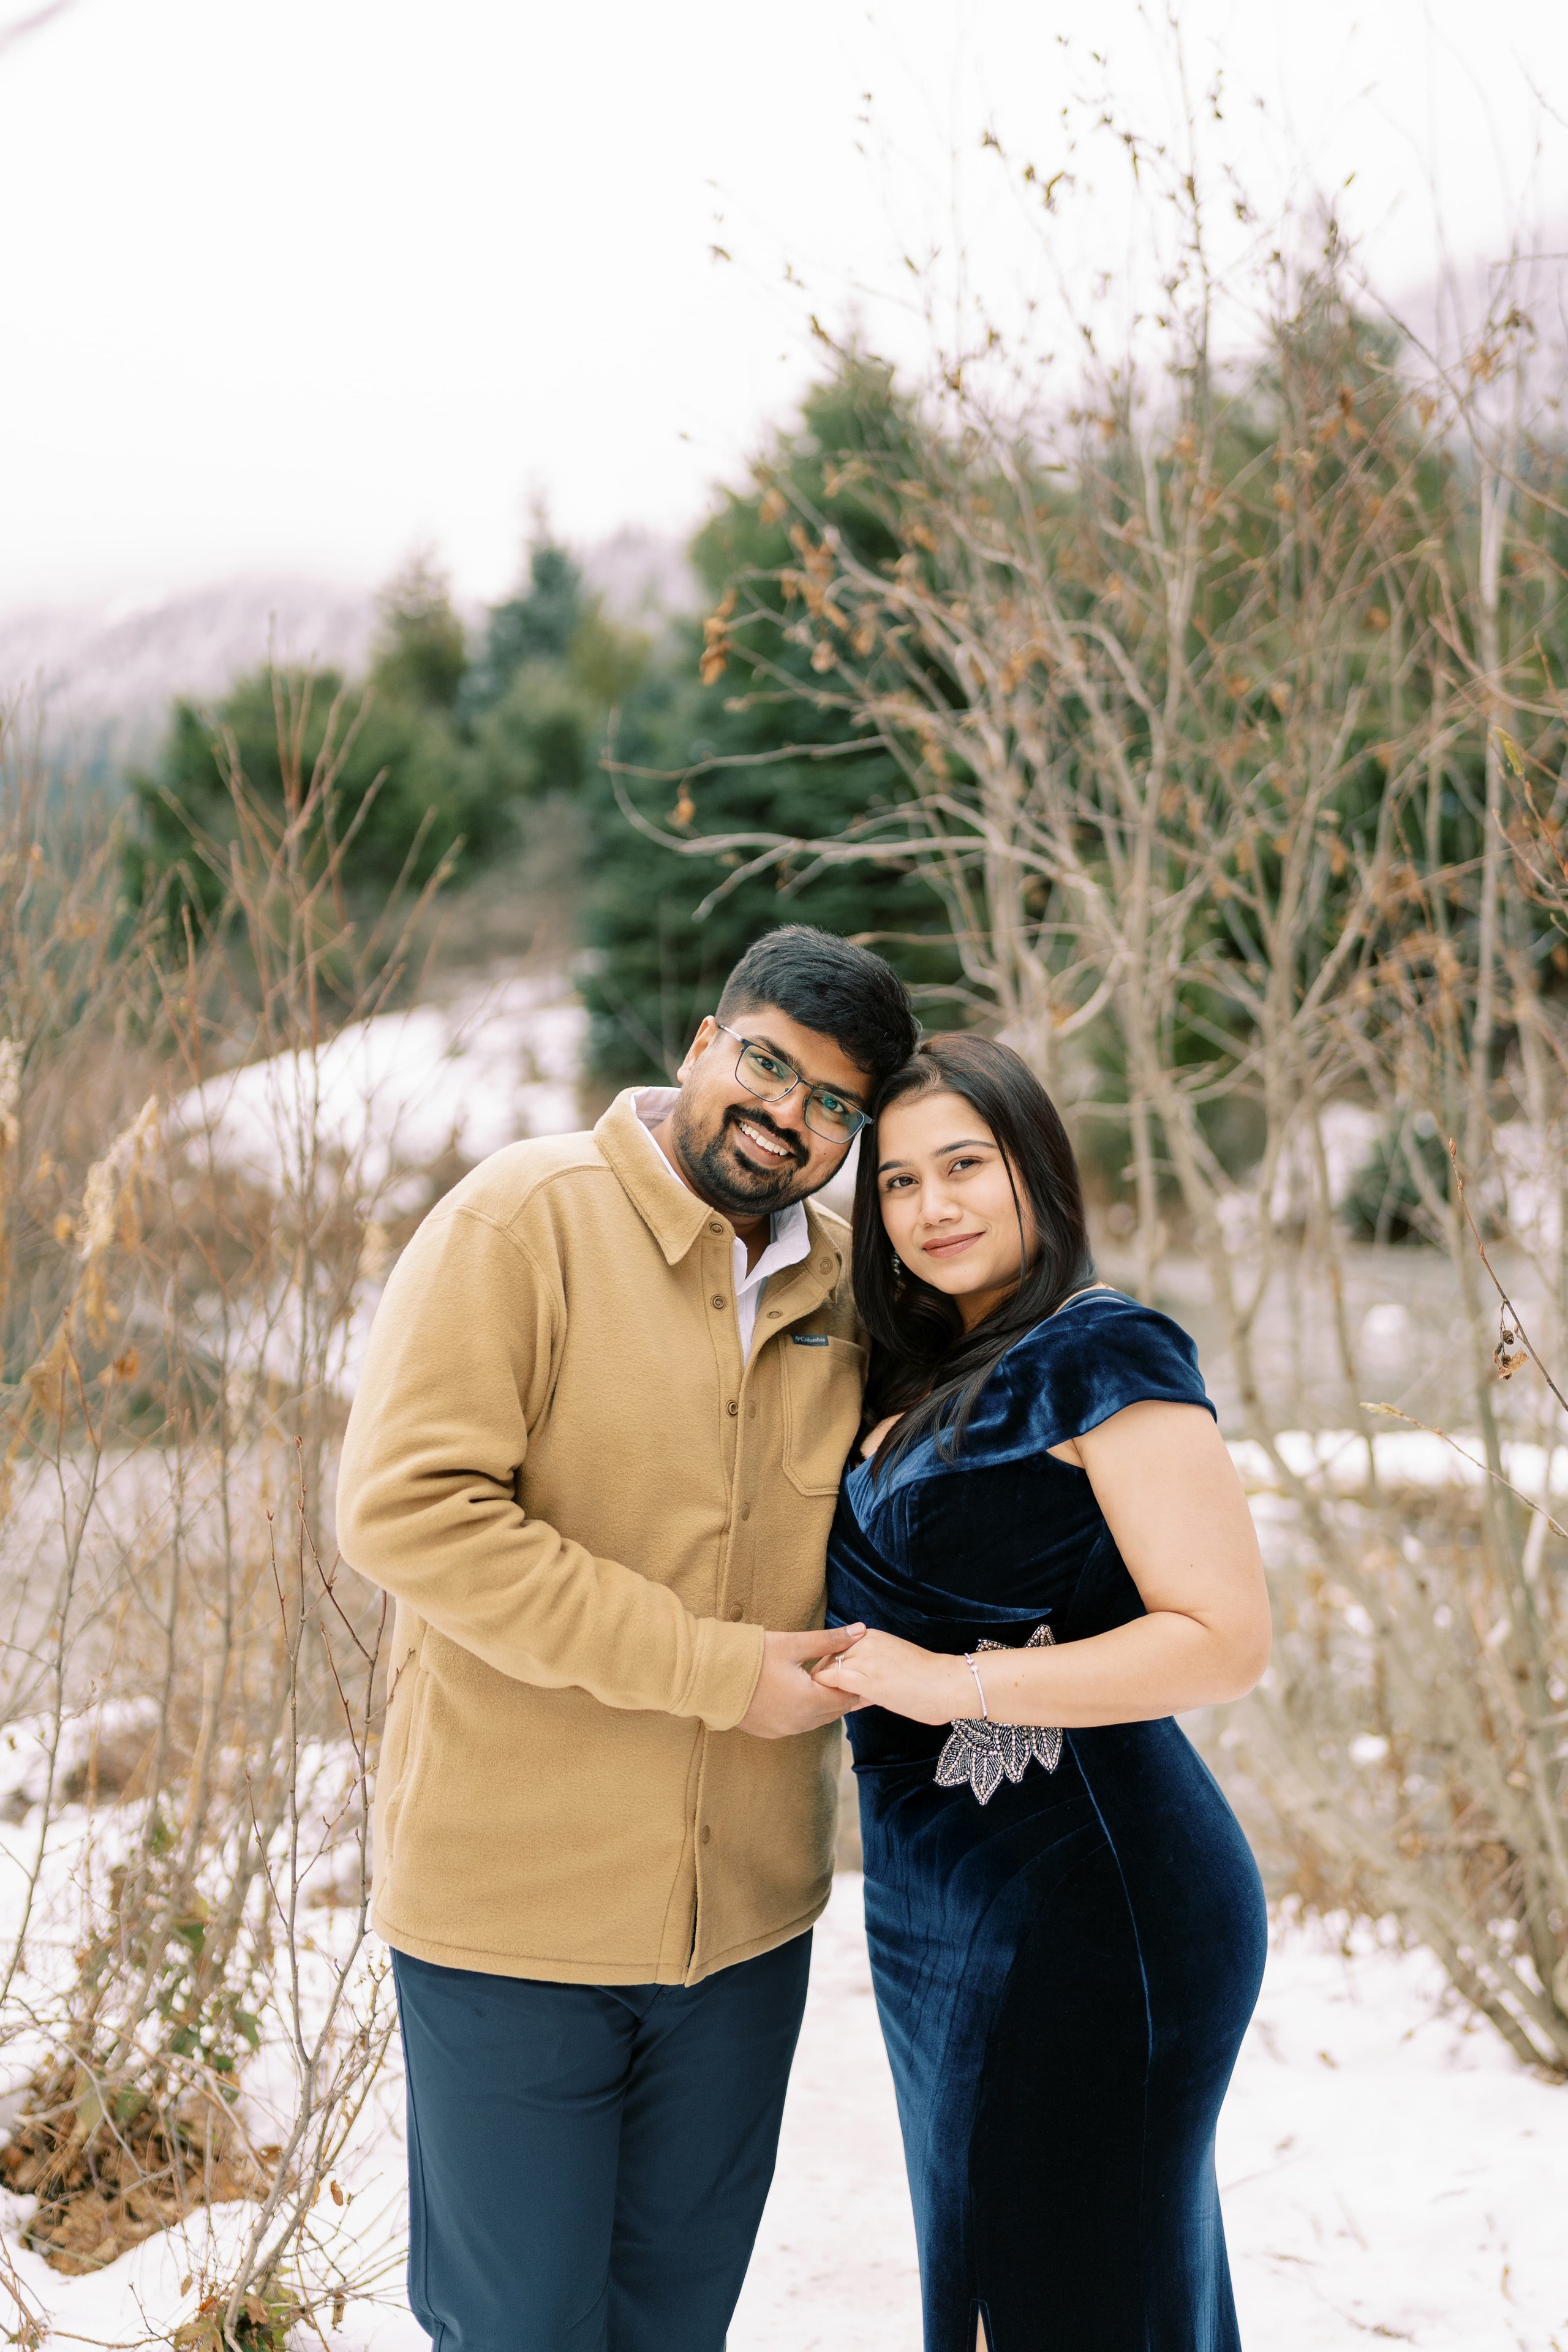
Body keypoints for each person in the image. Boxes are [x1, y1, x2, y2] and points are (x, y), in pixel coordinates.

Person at [334, 925, 918, 2352]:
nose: (786, 1113)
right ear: (702, 1044)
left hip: (742, 1931)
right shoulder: (521, 1217)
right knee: (520, 2327)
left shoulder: (852, 1289)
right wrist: (716, 1672)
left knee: (674, 2326)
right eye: (768, 1063)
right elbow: (410, 1516)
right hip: (512, 1916)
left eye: (833, 1103)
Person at [812, 1034, 1272, 2352]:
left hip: (1087, 1899)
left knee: (1075, 2296)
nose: (930, 1207)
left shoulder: (1101, 1354)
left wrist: (952, 1683)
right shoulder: (915, 1375)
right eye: (896, 1183)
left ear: (1036, 1167)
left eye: (964, 1164)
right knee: (1008, 2291)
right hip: (933, 1902)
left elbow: (1223, 1638)